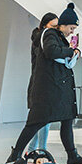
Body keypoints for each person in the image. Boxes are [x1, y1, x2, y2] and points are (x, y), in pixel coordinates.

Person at [8, 3, 82, 164]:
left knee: (67, 120)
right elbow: (51, 52)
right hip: (48, 89)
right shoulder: (49, 34)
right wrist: (71, 51)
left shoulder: (58, 37)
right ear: (63, 25)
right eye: (71, 28)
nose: (72, 32)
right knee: (35, 123)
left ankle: (72, 155)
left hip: (59, 87)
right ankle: (15, 155)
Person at [28, 13, 58, 152]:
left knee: (39, 120)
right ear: (45, 25)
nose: (55, 29)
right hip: (39, 84)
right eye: (53, 26)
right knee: (42, 119)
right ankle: (41, 150)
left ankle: (32, 149)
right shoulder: (39, 41)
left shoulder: (47, 39)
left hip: (45, 82)